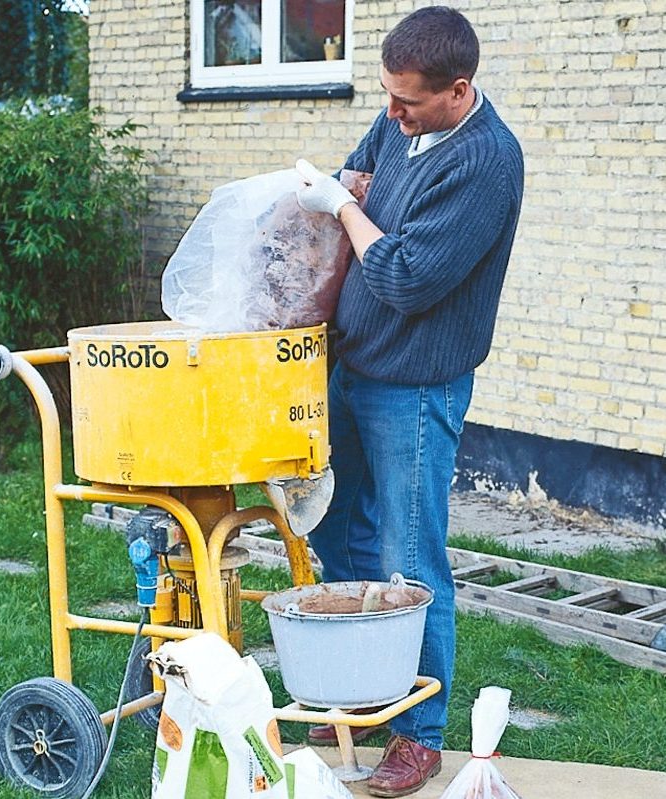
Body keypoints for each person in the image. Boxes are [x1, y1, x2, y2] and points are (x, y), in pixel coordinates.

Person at [295, 7, 524, 797]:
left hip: (416, 384)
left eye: (408, 103)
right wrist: (353, 203)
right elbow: (349, 171)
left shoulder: (487, 162)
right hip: (352, 366)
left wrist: (352, 210)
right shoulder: (399, 115)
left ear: (457, 92)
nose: (390, 116)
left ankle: (417, 734)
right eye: (386, 97)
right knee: (335, 525)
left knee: (411, 558)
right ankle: (362, 689)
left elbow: (400, 276)